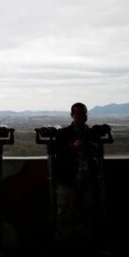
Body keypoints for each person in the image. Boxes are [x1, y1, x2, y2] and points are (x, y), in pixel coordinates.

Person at [53, 102, 100, 243]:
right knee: (65, 211)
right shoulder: (63, 134)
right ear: (72, 115)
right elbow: (58, 152)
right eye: (77, 114)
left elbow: (98, 152)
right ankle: (64, 241)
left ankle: (83, 241)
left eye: (83, 114)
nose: (80, 117)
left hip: (87, 179)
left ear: (86, 116)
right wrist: (73, 147)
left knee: (87, 210)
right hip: (67, 179)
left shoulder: (92, 134)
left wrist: (92, 147)